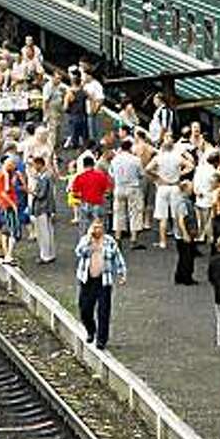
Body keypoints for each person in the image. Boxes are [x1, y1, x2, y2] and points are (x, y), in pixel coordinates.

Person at [74, 219, 126, 350]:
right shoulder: (85, 240)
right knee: (85, 309)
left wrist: (121, 273)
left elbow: (117, 257)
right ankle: (91, 330)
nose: (97, 230)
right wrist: (89, 240)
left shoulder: (109, 241)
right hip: (87, 280)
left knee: (104, 311)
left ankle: (101, 340)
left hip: (104, 280)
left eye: (99, 227)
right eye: (94, 227)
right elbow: (79, 252)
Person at [149, 139, 192, 249]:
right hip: (175, 186)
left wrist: (158, 177)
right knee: (177, 214)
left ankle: (163, 241)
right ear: (173, 147)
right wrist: (180, 174)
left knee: (163, 217)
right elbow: (191, 166)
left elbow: (147, 169)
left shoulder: (158, 158)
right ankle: (178, 235)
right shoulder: (177, 157)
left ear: (163, 147)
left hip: (162, 187)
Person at [110, 139, 147, 249]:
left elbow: (111, 173)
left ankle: (118, 237)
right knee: (135, 212)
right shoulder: (135, 160)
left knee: (118, 213)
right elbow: (141, 174)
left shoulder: (115, 160)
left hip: (119, 187)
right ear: (130, 148)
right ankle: (133, 239)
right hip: (133, 187)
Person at [0, 156, 24, 265]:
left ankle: (6, 254)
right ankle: (8, 255)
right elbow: (4, 192)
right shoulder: (5, 175)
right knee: (13, 231)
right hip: (8, 206)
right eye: (14, 165)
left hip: (2, 205)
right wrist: (13, 204)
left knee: (5, 231)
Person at [30, 155, 56, 264]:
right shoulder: (46, 176)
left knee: (43, 232)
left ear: (40, 164)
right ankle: (50, 253)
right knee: (49, 231)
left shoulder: (44, 177)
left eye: (35, 164)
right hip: (48, 207)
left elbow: (41, 194)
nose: (34, 167)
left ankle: (45, 255)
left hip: (42, 207)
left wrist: (31, 191)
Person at [72, 154, 113, 225]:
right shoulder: (101, 176)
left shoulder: (79, 177)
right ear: (93, 164)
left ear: (83, 165)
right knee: (99, 227)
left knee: (85, 228)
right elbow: (108, 190)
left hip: (85, 204)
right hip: (99, 203)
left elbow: (75, 194)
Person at [173, 180, 199, 286]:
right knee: (187, 257)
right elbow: (181, 219)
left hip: (181, 234)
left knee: (183, 256)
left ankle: (179, 276)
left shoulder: (182, 201)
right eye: (191, 188)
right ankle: (186, 277)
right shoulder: (183, 203)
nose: (192, 190)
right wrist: (185, 234)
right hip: (184, 234)